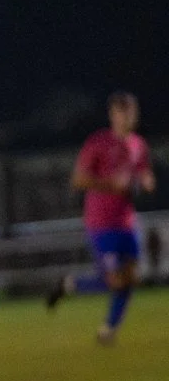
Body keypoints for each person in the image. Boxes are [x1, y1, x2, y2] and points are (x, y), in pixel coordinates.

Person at [47, 92, 154, 344]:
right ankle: (71, 285)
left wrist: (146, 182)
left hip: (126, 221)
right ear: (112, 115)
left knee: (130, 278)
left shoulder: (139, 145)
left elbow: (144, 175)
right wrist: (111, 184)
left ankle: (108, 330)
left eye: (131, 111)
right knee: (114, 280)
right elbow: (78, 180)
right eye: (122, 112)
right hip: (101, 222)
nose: (128, 117)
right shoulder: (98, 143)